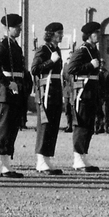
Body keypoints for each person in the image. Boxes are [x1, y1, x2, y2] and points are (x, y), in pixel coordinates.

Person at [0, 13, 28, 178]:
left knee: (12, 127)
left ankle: (6, 163)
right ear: (7, 28)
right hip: (5, 92)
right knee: (4, 128)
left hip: (15, 90)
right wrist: (6, 82)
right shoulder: (2, 46)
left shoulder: (15, 46)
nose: (19, 29)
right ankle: (1, 165)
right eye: (16, 26)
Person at [65, 21, 104, 171]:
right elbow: (71, 69)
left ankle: (83, 155)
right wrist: (90, 66)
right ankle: (77, 158)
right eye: (96, 33)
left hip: (92, 91)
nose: (98, 36)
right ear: (88, 35)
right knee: (81, 125)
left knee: (89, 126)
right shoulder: (82, 50)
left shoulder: (94, 50)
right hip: (83, 92)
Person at [31, 21, 65, 175]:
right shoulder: (43, 50)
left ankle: (47, 158)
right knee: (45, 125)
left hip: (56, 91)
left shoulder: (56, 49)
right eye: (59, 33)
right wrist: (51, 61)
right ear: (51, 34)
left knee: (53, 126)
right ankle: (40, 160)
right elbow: (35, 69)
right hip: (46, 92)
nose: (61, 36)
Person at [97, 64, 109, 134]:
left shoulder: (108, 73)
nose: (101, 65)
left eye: (102, 63)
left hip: (105, 97)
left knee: (105, 113)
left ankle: (105, 127)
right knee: (98, 113)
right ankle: (99, 127)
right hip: (98, 97)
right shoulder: (96, 73)